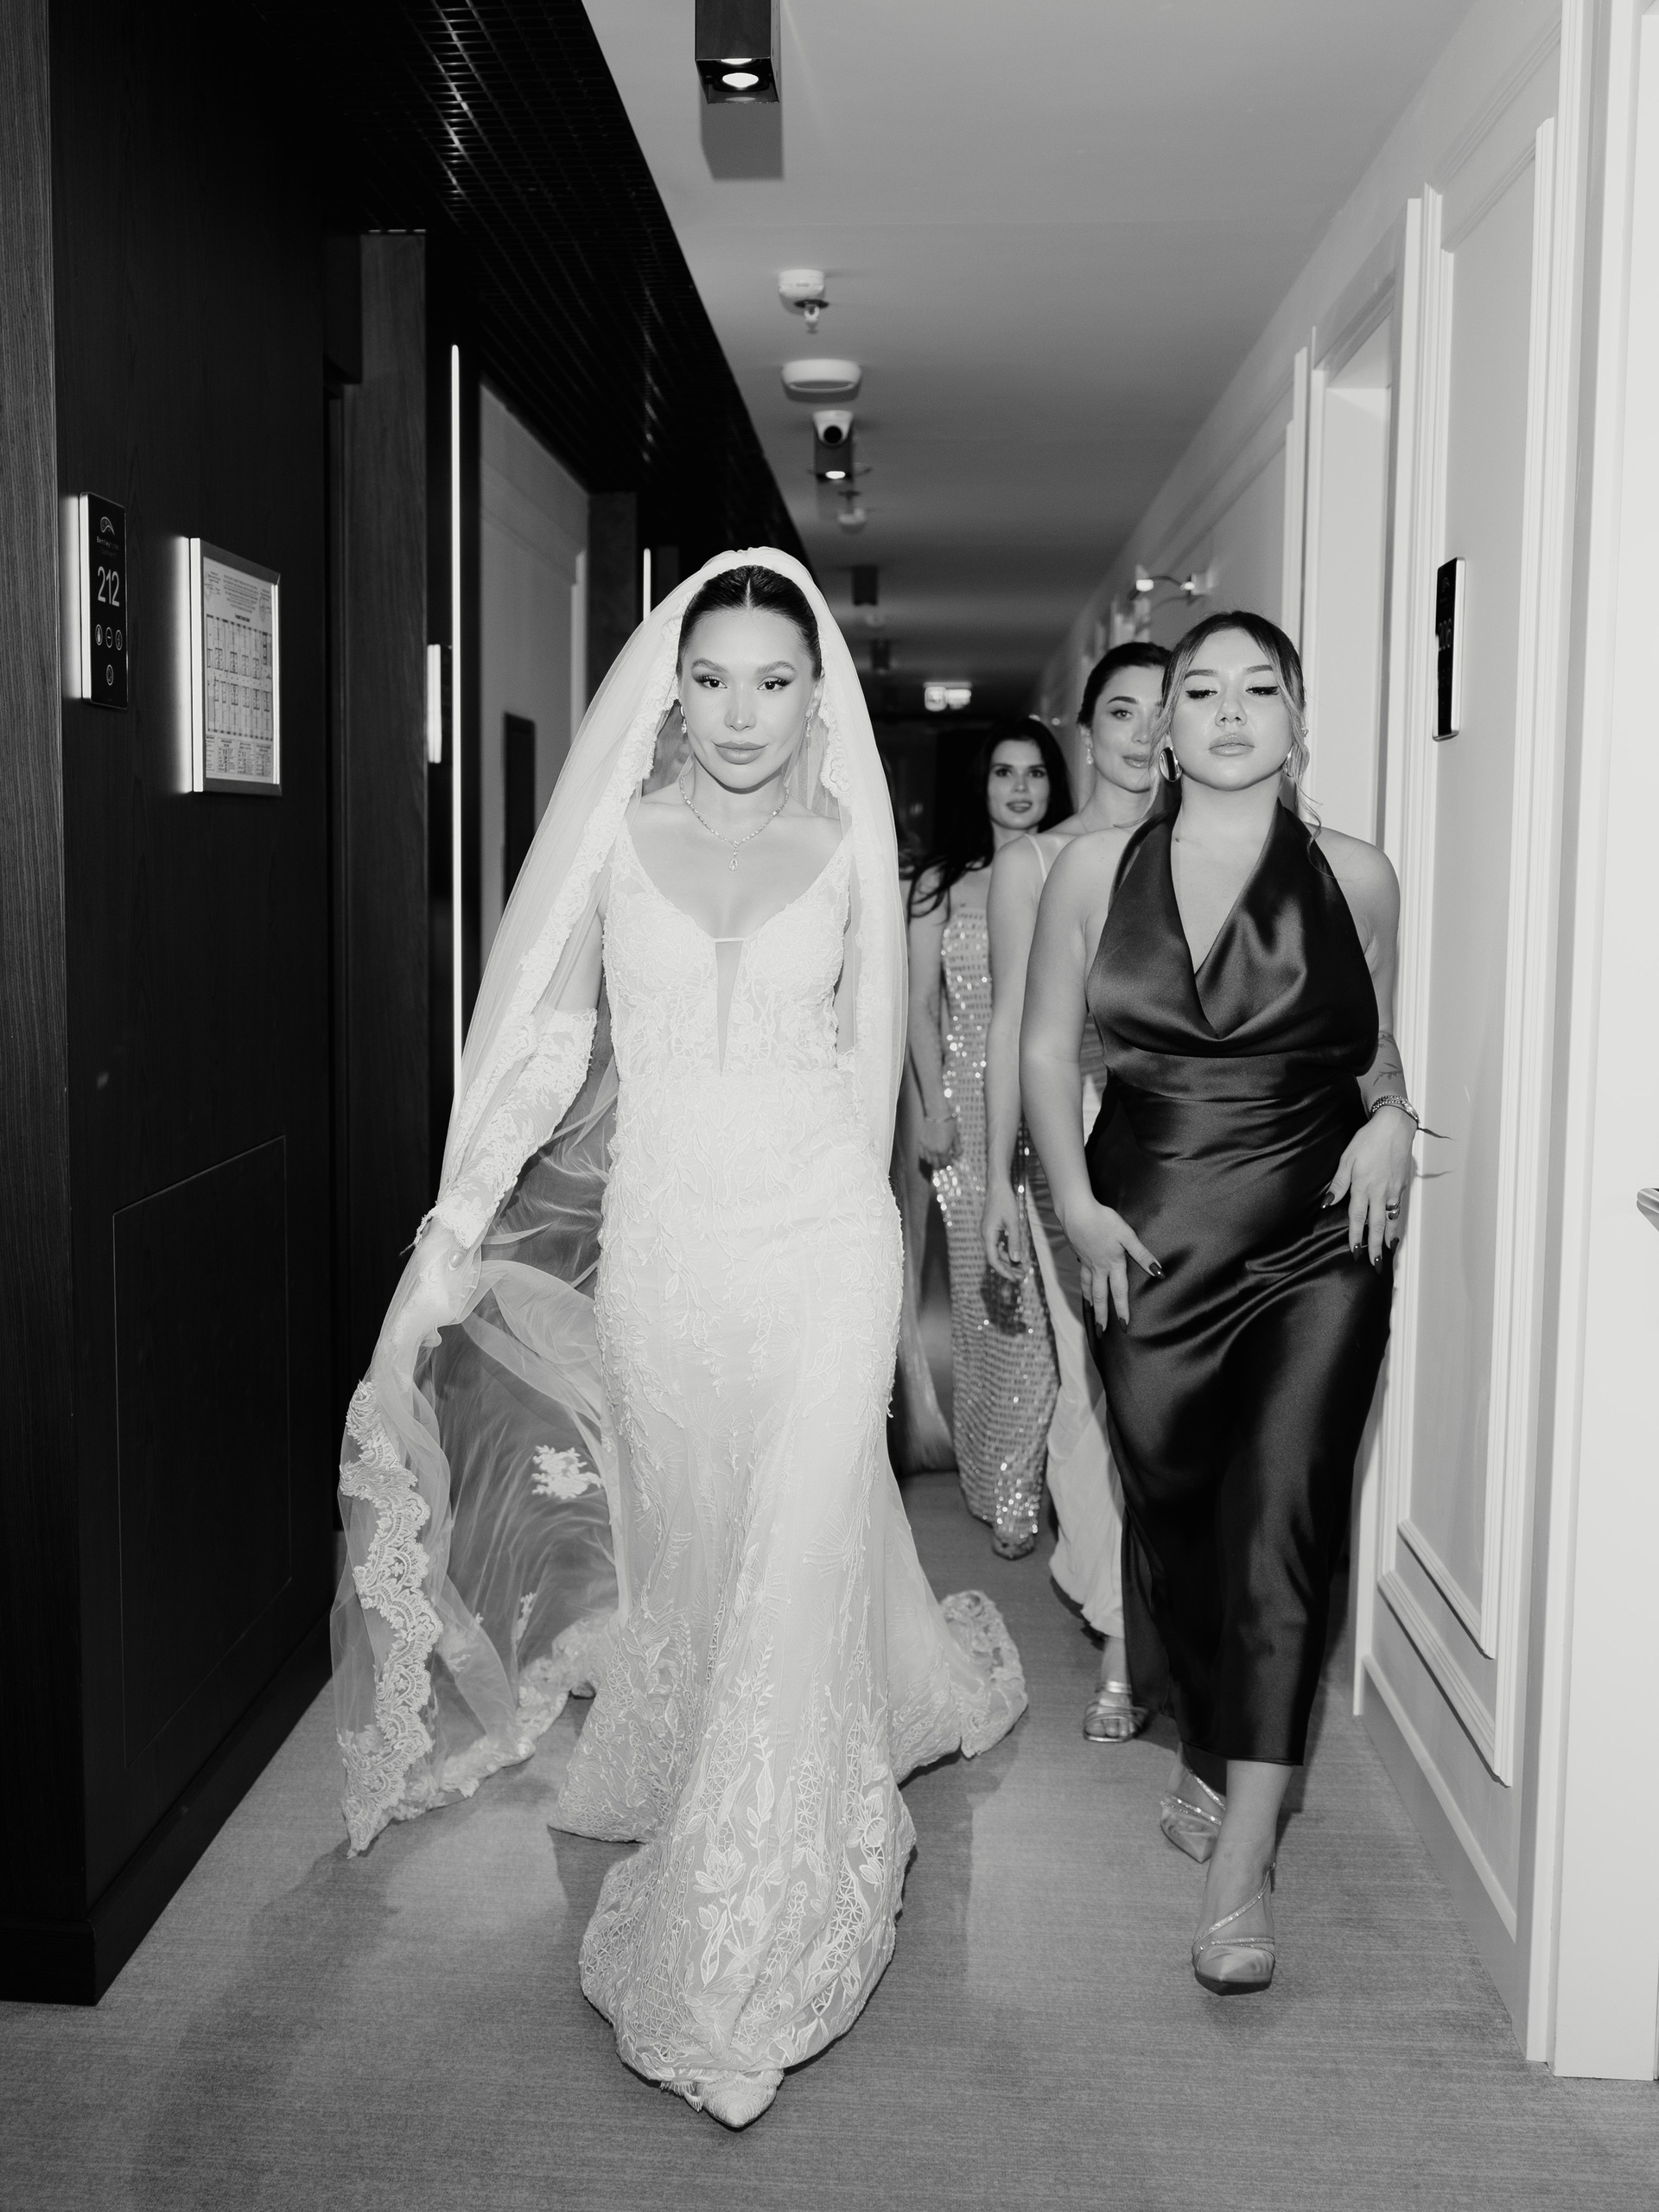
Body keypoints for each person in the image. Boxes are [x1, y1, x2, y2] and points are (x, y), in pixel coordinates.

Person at [330, 553, 1026, 2128]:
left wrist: (882, 1257)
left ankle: (745, 1950)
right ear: (672, 690)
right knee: (707, 1548)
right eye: (712, 679)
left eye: (774, 682)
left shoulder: (851, 850)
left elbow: (873, 1075)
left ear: (815, 696)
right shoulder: (616, 844)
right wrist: (451, 1235)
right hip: (667, 1259)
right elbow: (540, 1048)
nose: (741, 712)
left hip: (821, 1250)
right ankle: (726, 1751)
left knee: (794, 1558)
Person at [1020, 613, 1414, 1995]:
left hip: (1320, 1236)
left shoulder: (1357, 874)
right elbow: (1047, 1048)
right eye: (1201, 691)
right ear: (1165, 727)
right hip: (1147, 1237)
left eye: (1261, 689)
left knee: (1286, 1517)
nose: (1232, 712)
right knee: (1175, 1502)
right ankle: (1204, 1729)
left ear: (1298, 718)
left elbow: (1373, 1044)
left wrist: (1393, 1118)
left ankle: (1243, 1870)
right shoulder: (1092, 871)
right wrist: (1074, 1206)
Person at [980, 645, 1169, 1738]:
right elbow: (1014, 1022)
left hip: (1186, 1143)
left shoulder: (1200, 847)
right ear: (1086, 732)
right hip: (1072, 1142)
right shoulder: (1037, 862)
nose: (1144, 733)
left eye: (1162, 710)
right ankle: (1119, 1633)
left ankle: (1166, 1612)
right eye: (1122, 712)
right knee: (1096, 1381)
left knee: (1171, 1390)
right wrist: (1001, 1180)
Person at [904, 720, 1074, 1555]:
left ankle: (1051, 1483)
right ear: (982, 784)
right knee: (994, 1307)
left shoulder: (1074, 867)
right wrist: (933, 1106)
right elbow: (919, 1007)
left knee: (1057, 1308)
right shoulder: (941, 883)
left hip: (1060, 1107)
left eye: (1035, 774)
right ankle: (1003, 1484)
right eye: (1004, 773)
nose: (1019, 789)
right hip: (970, 1122)